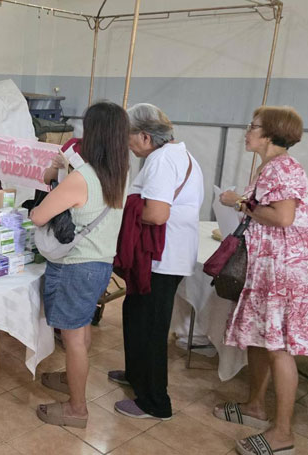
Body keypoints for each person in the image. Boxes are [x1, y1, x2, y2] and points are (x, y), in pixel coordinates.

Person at [215, 106, 308, 455]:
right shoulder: (272, 167)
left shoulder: (283, 167)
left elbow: (284, 217)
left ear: (270, 133)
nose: (248, 131)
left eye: (253, 126)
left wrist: (239, 203)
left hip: (286, 268)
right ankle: (256, 406)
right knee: (261, 337)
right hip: (271, 264)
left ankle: (283, 433)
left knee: (280, 348)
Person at [30, 101, 129, 428]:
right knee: (81, 330)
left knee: (73, 340)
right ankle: (72, 380)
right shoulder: (119, 174)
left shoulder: (83, 177)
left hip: (75, 266)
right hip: (101, 265)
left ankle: (76, 409)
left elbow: (38, 215)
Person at [110, 103, 204, 421]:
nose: (127, 143)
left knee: (151, 327)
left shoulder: (162, 160)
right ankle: (137, 376)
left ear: (146, 136)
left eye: (129, 137)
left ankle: (155, 402)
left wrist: (129, 208)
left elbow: (156, 213)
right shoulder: (179, 155)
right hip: (166, 256)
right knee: (135, 312)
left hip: (161, 259)